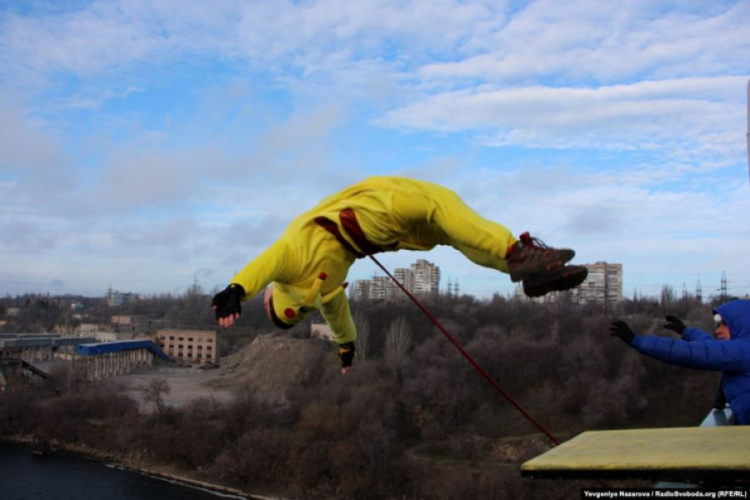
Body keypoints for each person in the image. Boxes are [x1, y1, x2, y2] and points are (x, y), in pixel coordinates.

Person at [213, 176, 588, 373]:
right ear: (272, 297)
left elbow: (339, 320)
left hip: (379, 238)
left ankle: (521, 270)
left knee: (450, 230)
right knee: (439, 202)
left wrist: (347, 348)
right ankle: (515, 254)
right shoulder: (289, 267)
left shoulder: (320, 296)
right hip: (368, 216)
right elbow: (266, 262)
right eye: (266, 301)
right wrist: (238, 287)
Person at [610, 299, 750, 425]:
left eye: (723, 324)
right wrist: (686, 331)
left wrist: (638, 341)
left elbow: (692, 352)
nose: (718, 331)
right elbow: (710, 347)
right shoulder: (741, 350)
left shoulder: (742, 351)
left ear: (741, 323)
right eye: (717, 325)